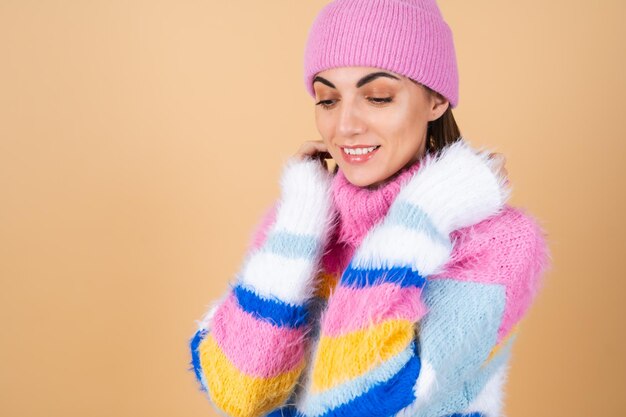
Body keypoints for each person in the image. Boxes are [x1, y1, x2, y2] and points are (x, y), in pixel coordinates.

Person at [188, 1, 551, 417]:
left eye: (378, 97)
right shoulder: (299, 226)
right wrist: (301, 214)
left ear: (436, 101)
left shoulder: (498, 242)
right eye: (327, 100)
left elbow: (357, 404)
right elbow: (238, 391)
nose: (345, 126)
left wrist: (426, 211)